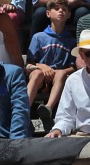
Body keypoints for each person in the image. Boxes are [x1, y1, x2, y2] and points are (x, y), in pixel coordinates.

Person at [25, 0, 76, 133]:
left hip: (58, 78)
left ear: (69, 15)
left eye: (64, 9)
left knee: (61, 74)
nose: (61, 11)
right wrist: (42, 67)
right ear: (48, 13)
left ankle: (48, 108)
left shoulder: (71, 41)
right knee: (36, 73)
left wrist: (59, 71)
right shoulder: (39, 37)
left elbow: (73, 66)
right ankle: (23, 110)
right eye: (56, 8)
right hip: (39, 74)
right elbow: (29, 63)